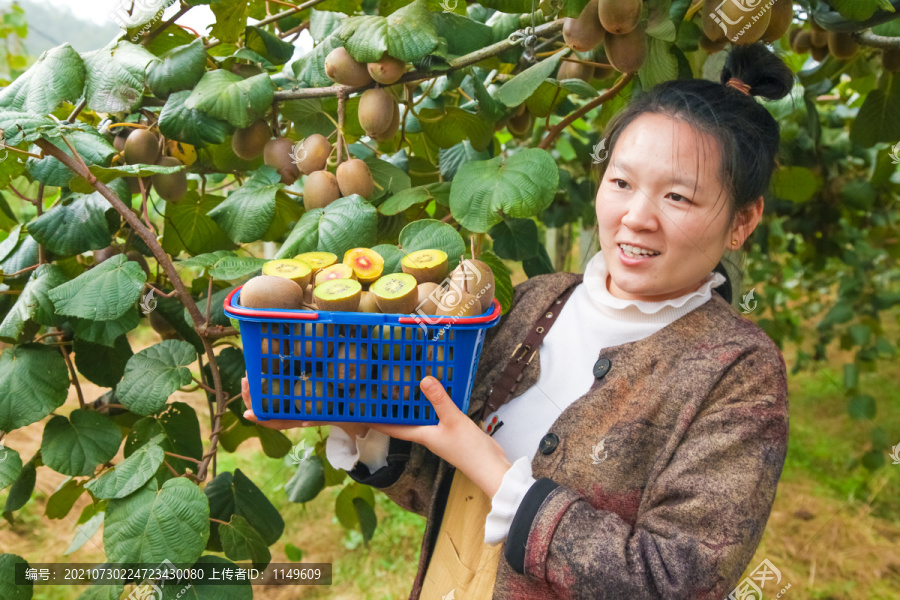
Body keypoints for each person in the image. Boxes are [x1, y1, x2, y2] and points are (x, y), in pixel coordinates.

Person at [241, 42, 794, 600]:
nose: (636, 217)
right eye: (621, 183)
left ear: (742, 222)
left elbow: (677, 581)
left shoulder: (739, 371)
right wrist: (359, 422)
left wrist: (498, 472)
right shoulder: (538, 302)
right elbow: (446, 483)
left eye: (678, 196)